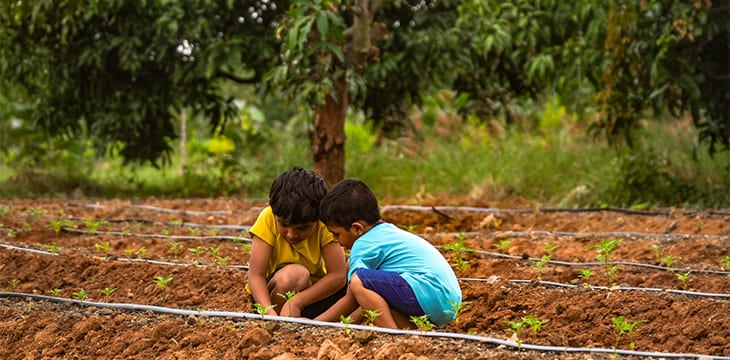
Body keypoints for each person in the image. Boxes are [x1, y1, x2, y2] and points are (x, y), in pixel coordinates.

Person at [315, 179, 462, 329]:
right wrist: (343, 327)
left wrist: (316, 325)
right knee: (376, 295)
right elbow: (367, 304)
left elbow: (352, 297)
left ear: (357, 229)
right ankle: (411, 335)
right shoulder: (387, 233)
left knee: (358, 280)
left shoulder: (363, 244)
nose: (335, 240)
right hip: (446, 301)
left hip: (428, 292)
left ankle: (393, 336)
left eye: (336, 234)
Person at [247, 167, 347, 319]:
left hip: (312, 297)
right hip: (270, 300)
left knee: (357, 274)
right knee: (295, 275)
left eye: (302, 228)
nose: (292, 234)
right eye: (284, 225)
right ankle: (281, 322)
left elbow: (338, 275)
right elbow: (256, 276)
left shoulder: (324, 223)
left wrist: (297, 302)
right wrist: (268, 313)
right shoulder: (268, 218)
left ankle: (302, 320)